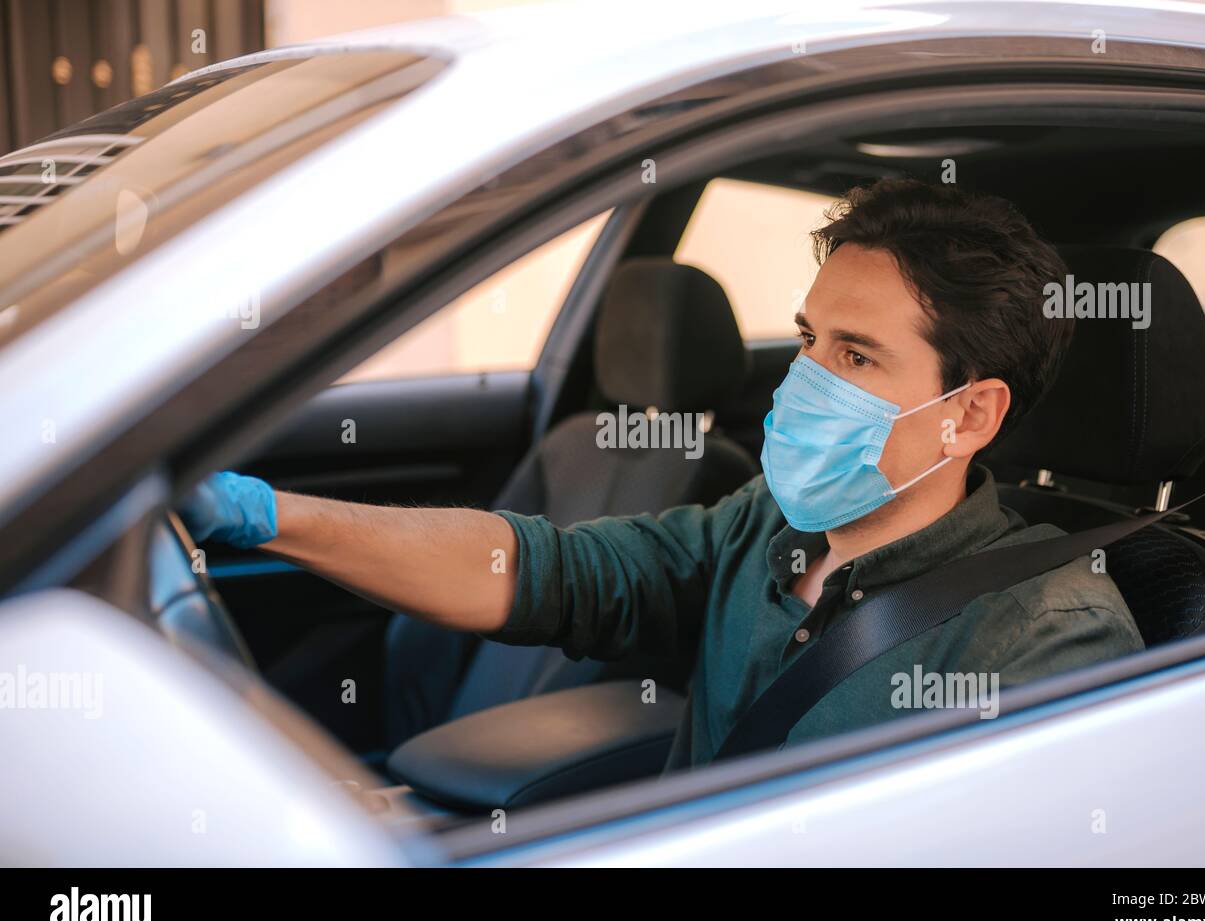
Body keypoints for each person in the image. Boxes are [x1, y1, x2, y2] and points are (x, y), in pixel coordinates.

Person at [182, 179, 1142, 768]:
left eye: (855, 356)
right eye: (808, 339)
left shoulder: (1048, 636)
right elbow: (538, 570)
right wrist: (269, 517)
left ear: (970, 413)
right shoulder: (763, 525)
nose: (804, 379)